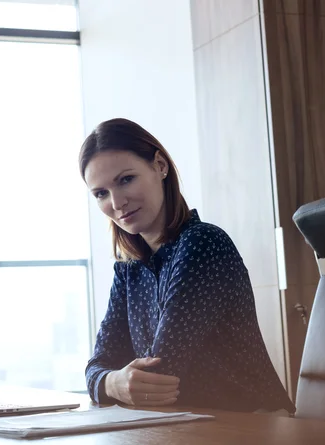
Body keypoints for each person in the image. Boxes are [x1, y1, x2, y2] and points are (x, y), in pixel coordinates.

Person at [79, 118, 295, 413]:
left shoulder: (202, 244)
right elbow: (98, 365)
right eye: (101, 193)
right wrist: (112, 382)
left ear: (160, 166)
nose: (116, 202)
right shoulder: (128, 268)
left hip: (252, 425)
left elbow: (159, 374)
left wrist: (113, 381)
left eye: (126, 179)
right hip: (183, 426)